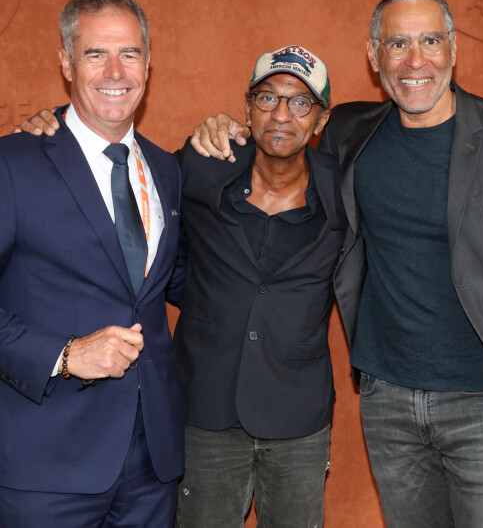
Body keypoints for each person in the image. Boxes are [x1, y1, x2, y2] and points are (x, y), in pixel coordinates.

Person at [184, 0, 483, 527]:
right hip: (388, 404)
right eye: (397, 44)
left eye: (430, 41)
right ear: (374, 56)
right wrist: (226, 126)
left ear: (453, 48)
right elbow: (280, 133)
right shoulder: (349, 129)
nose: (415, 61)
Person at [18, 45, 346, 527]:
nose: (281, 114)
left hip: (299, 415)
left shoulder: (343, 188)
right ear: (247, 106)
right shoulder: (194, 167)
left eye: (300, 103)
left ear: (321, 119)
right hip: (204, 409)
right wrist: (53, 127)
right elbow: (135, 213)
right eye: (267, 97)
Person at [0, 0, 186, 527]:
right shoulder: (13, 164)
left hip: (153, 463)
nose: (115, 71)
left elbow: (172, 281)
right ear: (65, 61)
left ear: (148, 65)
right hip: (45, 467)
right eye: (94, 53)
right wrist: (63, 354)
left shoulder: (167, 170)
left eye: (129, 54)